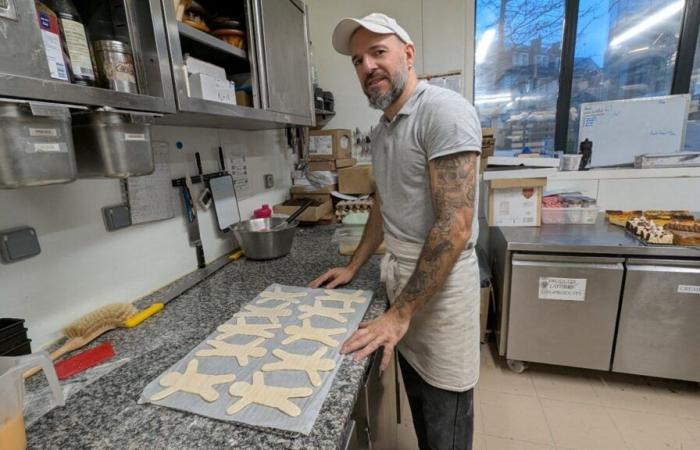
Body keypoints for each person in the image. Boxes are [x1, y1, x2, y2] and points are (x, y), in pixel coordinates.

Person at [309, 13, 482, 450]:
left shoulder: (444, 112)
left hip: (441, 292)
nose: (367, 66)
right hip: (400, 277)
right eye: (357, 59)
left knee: (446, 418)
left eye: (378, 52)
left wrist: (399, 314)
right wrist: (355, 265)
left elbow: (454, 225)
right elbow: (383, 204)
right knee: (420, 398)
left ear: (408, 54)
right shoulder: (384, 128)